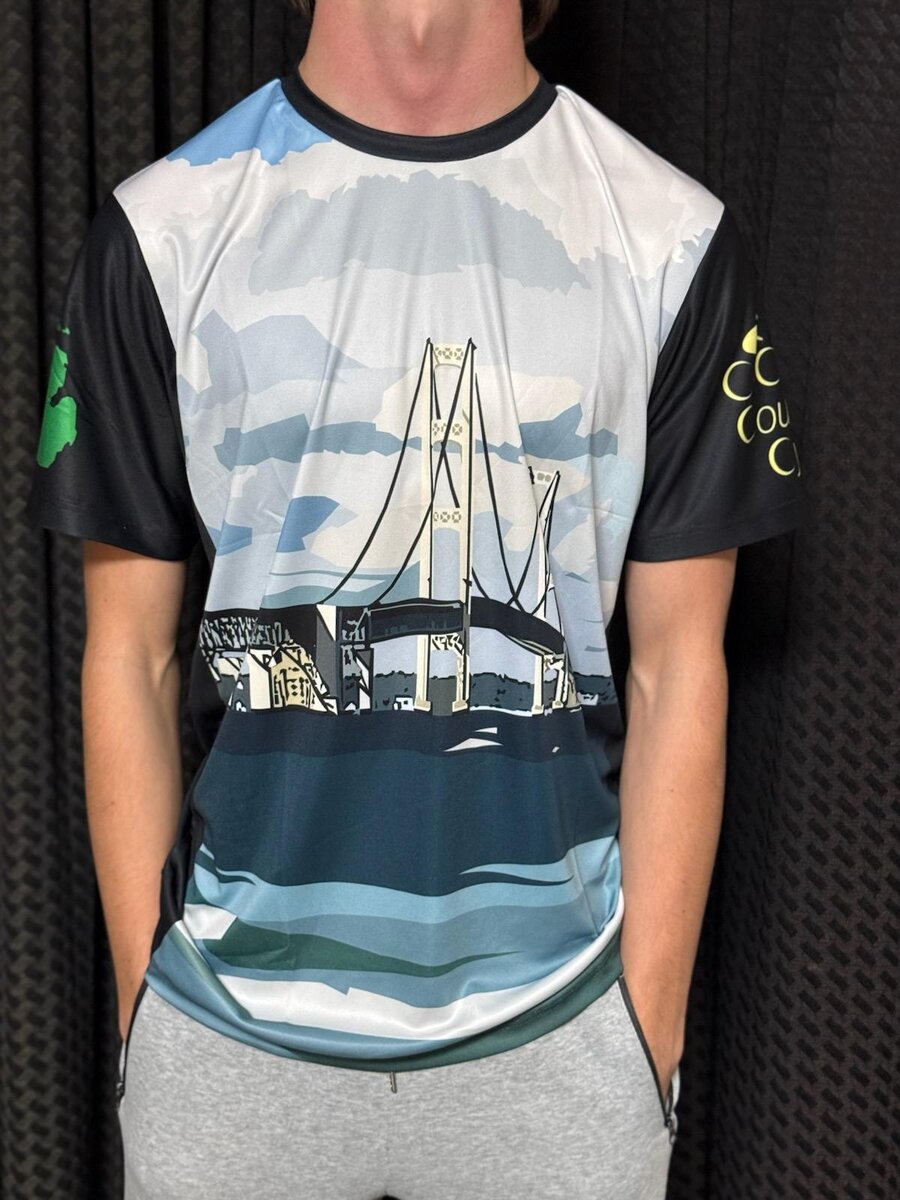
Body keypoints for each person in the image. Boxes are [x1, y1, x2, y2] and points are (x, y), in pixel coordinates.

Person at [25, 1, 805, 1196]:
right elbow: (128, 654)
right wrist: (152, 1012)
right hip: (223, 1045)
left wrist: (642, 1036)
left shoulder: (671, 236)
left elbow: (677, 667)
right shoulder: (160, 229)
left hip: (566, 1048)